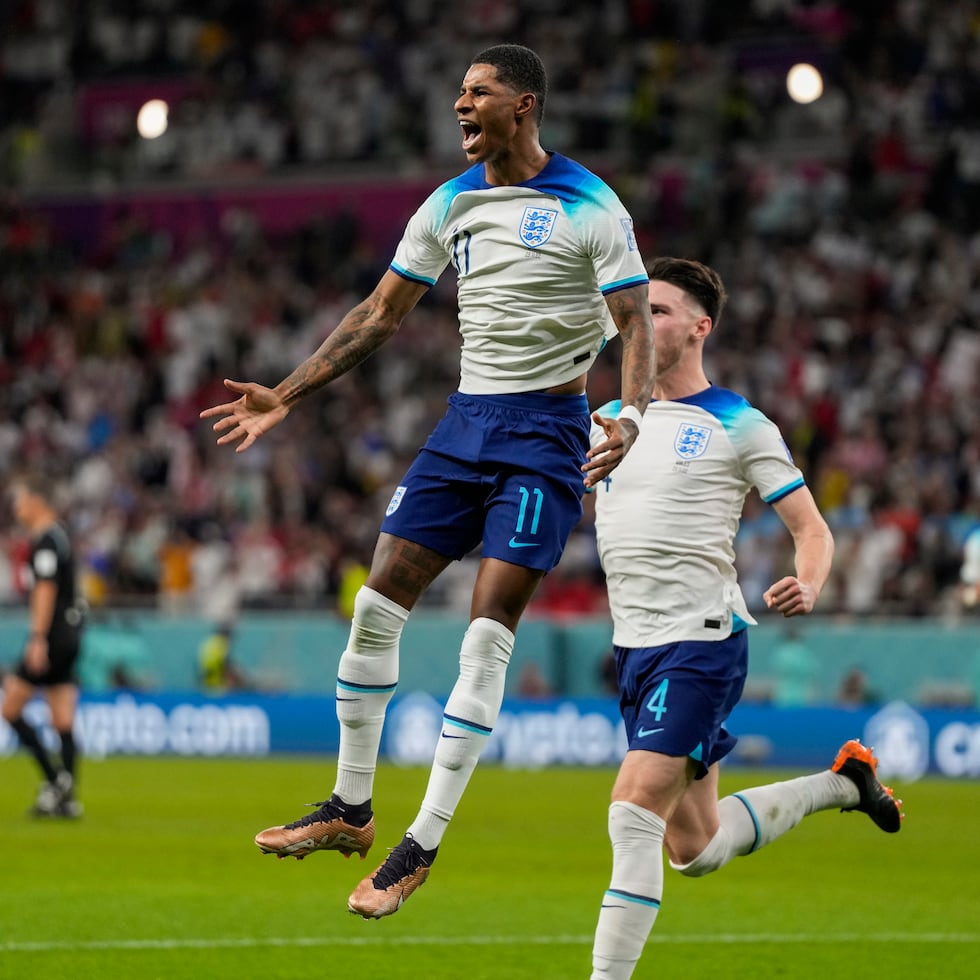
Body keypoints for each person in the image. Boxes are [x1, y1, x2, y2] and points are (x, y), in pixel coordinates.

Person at [201, 43, 655, 920]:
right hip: (463, 427)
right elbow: (380, 312)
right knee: (375, 607)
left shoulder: (592, 204)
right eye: (458, 92)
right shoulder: (449, 204)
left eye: (477, 93)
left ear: (523, 106)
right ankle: (351, 807)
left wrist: (629, 417)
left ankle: (422, 843)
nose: (460, 105)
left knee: (485, 637)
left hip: (546, 435)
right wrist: (285, 394)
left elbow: (633, 319)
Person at [587, 258, 903, 979]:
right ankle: (844, 785)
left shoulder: (738, 421)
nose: (642, 320)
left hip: (699, 642)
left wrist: (809, 581)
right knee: (693, 849)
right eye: (638, 309)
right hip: (634, 649)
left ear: (700, 327)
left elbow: (812, 529)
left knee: (632, 807)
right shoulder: (608, 421)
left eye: (660, 311)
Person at [1, 474, 86, 818]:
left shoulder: (46, 541)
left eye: (20, 501)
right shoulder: (61, 534)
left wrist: (38, 638)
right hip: (71, 633)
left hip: (52, 635)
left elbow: (45, 589)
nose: (16, 508)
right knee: (62, 716)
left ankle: (55, 783)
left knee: (10, 708)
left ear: (37, 502)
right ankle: (67, 799)